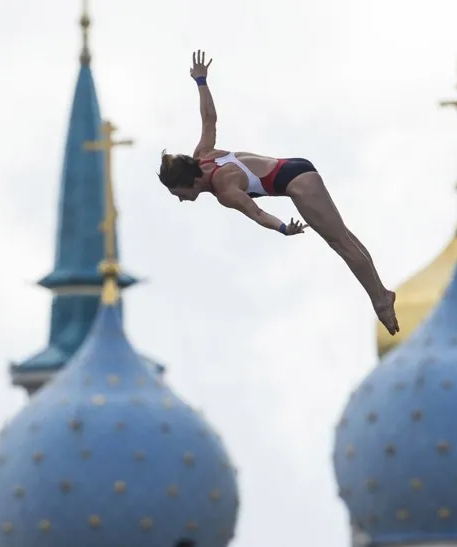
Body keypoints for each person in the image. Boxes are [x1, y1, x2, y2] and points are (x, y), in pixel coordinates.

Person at [158, 50, 399, 335]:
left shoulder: (224, 189)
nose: (181, 199)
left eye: (179, 194)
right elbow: (209, 118)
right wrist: (200, 81)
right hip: (295, 168)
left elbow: (257, 213)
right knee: (343, 236)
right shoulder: (203, 155)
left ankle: (381, 301)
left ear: (190, 183)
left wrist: (284, 228)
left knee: (341, 244)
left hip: (297, 183)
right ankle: (381, 292)